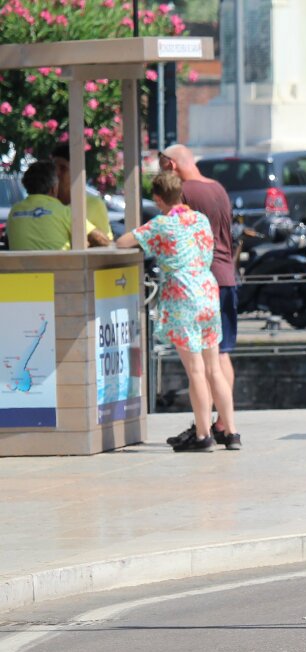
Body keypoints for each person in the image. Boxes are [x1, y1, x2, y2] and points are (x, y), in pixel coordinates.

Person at [117, 172, 238, 452]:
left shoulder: (161, 223)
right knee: (214, 369)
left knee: (195, 371)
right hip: (208, 290)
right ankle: (231, 433)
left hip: (182, 294)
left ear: (158, 198)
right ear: (181, 194)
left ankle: (203, 435)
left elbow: (125, 241)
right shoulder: (200, 219)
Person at [158, 144, 240, 449]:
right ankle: (224, 424)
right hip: (227, 276)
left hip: (200, 282)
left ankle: (205, 426)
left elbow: (170, 230)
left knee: (203, 361)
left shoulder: (184, 192)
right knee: (221, 355)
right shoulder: (217, 187)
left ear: (171, 165)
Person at [6, 162, 110, 251]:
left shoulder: (14, 211)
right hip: (58, 273)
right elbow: (102, 240)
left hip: (21, 274)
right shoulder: (64, 211)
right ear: (54, 187)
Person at [51, 143, 113, 241]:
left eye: (63, 168)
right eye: (54, 168)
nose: (57, 173)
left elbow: (106, 242)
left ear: (76, 172)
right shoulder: (46, 203)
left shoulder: (95, 204)